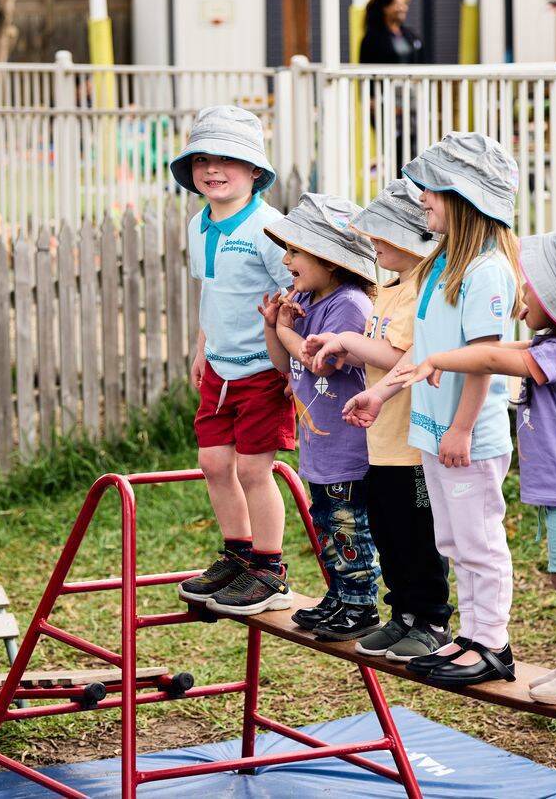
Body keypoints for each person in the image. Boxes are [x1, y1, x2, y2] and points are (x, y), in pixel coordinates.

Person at [394, 224, 556, 706]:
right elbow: (501, 351)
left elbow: (491, 357)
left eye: (530, 286)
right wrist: (451, 357)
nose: (521, 291)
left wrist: (441, 357)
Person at [343, 132, 523, 688]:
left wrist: (462, 427)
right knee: (451, 540)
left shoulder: (485, 270)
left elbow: (482, 360)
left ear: (465, 198)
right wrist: (382, 392)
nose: (421, 198)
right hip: (433, 431)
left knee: (478, 540)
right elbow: (425, 351)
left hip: (466, 436)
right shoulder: (443, 263)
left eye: (432, 191)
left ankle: (493, 644)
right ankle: (469, 637)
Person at [306, 178, 452, 663]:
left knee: (418, 534)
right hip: (381, 440)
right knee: (388, 531)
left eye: (382, 235)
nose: (372, 243)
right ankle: (402, 615)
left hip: (413, 441)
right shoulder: (388, 290)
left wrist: (344, 341)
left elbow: (402, 356)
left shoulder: (423, 292)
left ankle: (430, 620)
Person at [171, 106, 298, 616]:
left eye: (228, 159)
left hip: (264, 369)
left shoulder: (271, 228)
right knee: (213, 462)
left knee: (252, 468)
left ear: (254, 171)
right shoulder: (197, 225)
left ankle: (269, 569)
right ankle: (238, 553)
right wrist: (202, 349)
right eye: (203, 159)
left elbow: (296, 297)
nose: (213, 169)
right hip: (219, 369)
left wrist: (295, 368)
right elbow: (212, 294)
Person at [260, 192, 381, 642]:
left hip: (348, 447)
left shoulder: (348, 304)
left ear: (331, 259)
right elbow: (282, 363)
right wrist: (274, 326)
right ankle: (340, 594)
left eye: (296, 250)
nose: (286, 258)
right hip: (322, 448)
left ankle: (361, 602)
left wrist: (289, 330)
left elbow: (319, 363)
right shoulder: (305, 300)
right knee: (327, 524)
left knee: (349, 526)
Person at [357, 0, 424, 65]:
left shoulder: (411, 35)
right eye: (398, 5)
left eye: (404, 4)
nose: (403, 9)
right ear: (385, 7)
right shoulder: (372, 39)